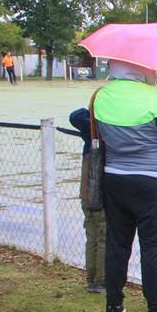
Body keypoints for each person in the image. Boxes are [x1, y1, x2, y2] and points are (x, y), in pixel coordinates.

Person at [93, 60, 157, 312]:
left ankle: (114, 306)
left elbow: (83, 120)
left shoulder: (101, 96)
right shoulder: (155, 98)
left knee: (117, 243)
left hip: (113, 179)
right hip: (151, 182)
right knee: (153, 247)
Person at [69, 107, 106, 293]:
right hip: (101, 189)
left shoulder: (91, 128)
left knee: (92, 234)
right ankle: (100, 280)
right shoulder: (108, 128)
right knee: (102, 234)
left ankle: (93, 278)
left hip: (87, 189)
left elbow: (75, 116)